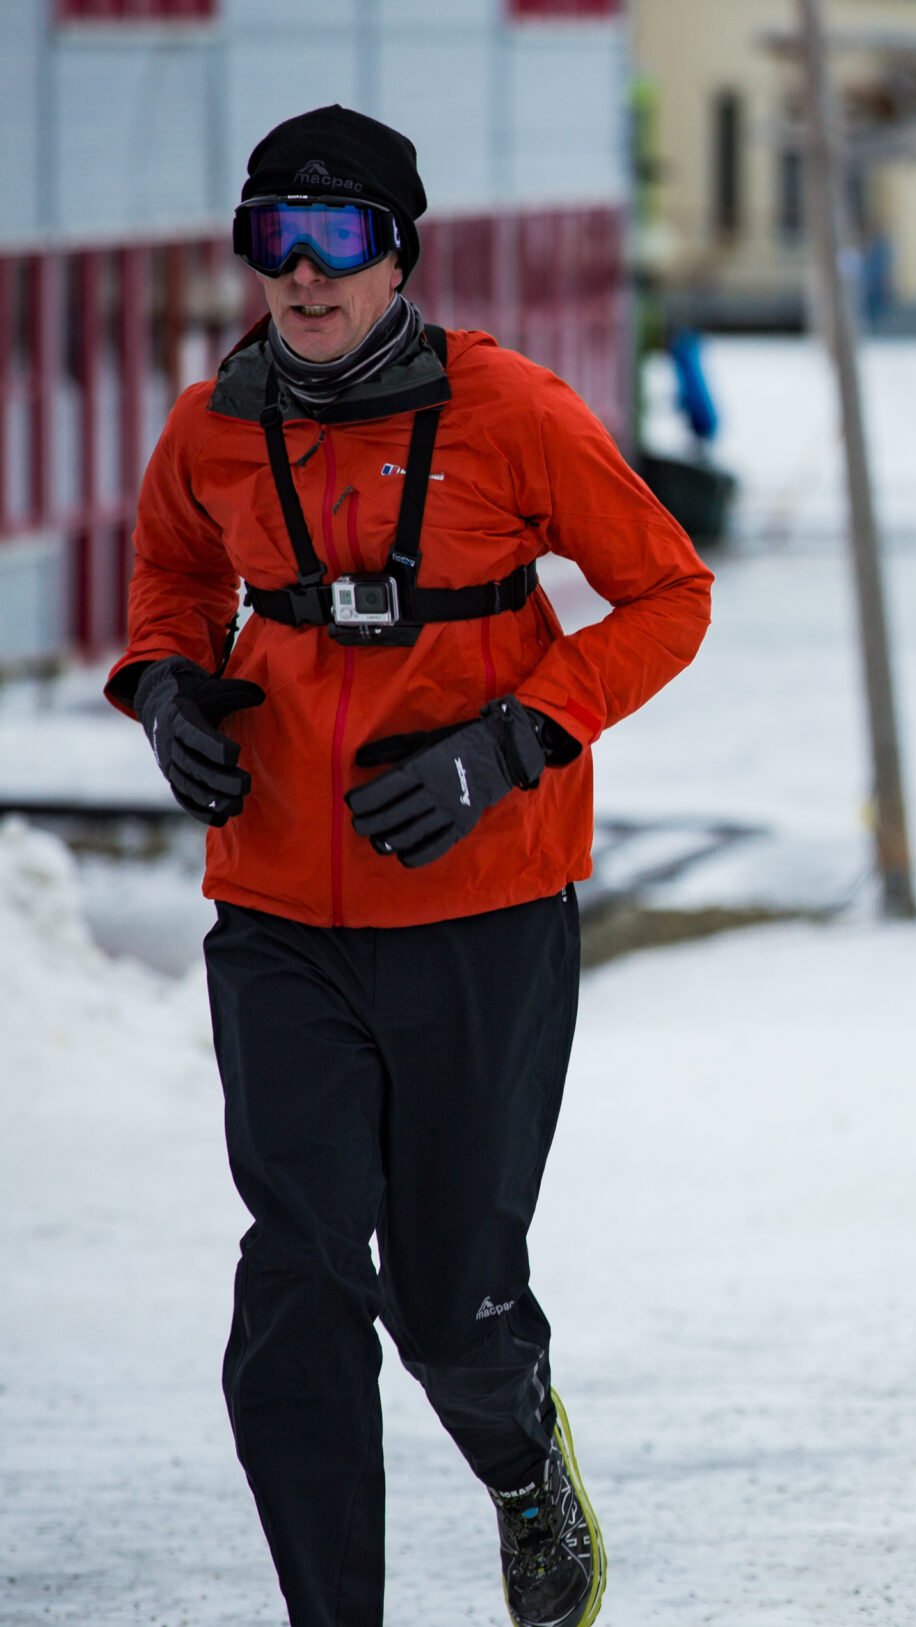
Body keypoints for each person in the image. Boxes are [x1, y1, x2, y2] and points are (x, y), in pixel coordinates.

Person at [106, 106, 713, 1627]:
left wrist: (515, 742)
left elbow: (666, 593)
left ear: (399, 253)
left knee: (449, 1297)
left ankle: (521, 1469)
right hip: (274, 918)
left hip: (480, 916)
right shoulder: (213, 426)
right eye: (272, 242)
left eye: (337, 241)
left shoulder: (514, 412)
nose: (301, 279)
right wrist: (168, 686)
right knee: (302, 1271)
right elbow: (175, 578)